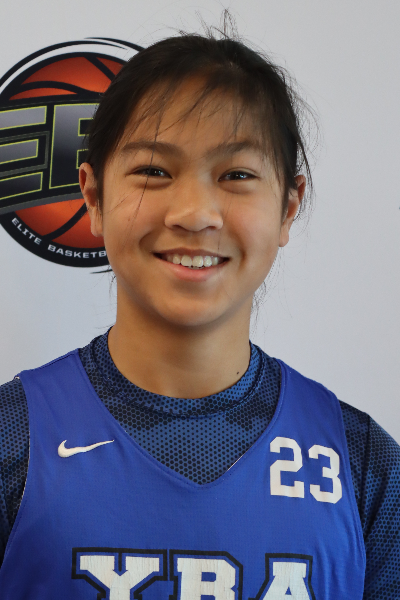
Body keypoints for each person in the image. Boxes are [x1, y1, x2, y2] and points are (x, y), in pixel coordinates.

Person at [0, 22, 399, 600]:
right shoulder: (13, 438)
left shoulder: (363, 465)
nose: (194, 213)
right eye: (153, 171)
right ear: (93, 197)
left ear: (289, 207)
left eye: (236, 175)